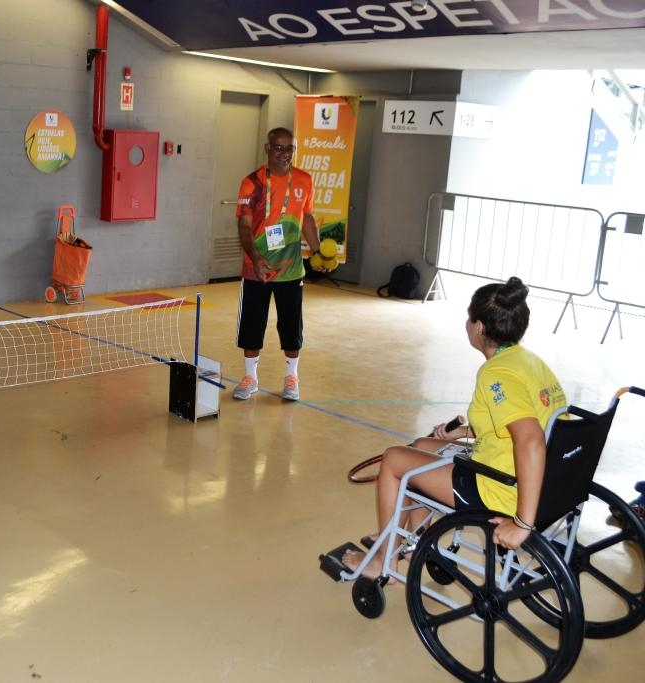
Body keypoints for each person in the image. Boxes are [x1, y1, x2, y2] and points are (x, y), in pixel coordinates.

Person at [343, 276, 567, 579]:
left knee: (394, 459)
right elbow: (519, 424)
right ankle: (415, 539)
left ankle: (384, 561)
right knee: (422, 446)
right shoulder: (528, 361)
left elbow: (529, 438)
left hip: (500, 486)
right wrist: (462, 433)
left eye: (468, 317)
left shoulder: (496, 373)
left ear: (478, 327)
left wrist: (522, 523)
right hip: (538, 477)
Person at [233, 127, 324, 401]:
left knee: (291, 327)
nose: (285, 154)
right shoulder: (252, 183)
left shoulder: (305, 180)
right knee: (252, 326)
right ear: (267, 148)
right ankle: (250, 377)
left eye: (290, 148)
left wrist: (317, 251)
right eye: (278, 148)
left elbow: (307, 217)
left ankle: (291, 377)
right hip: (256, 269)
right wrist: (256, 257)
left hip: (291, 270)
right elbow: (244, 225)